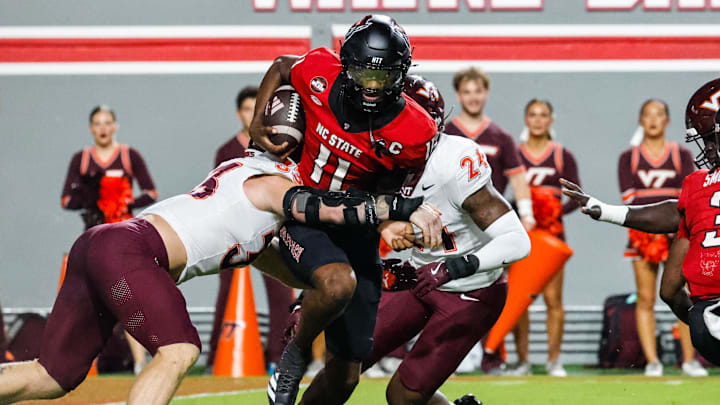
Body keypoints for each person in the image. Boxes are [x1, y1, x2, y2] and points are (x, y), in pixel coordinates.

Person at [0, 144, 439, 405]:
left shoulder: (252, 206)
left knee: (52, 376)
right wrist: (392, 211)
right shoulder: (269, 183)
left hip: (103, 243)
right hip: (132, 248)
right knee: (180, 351)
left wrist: (373, 277)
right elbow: (320, 206)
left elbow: (298, 273)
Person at [249, 15, 439, 405]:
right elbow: (284, 65)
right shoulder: (320, 70)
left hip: (356, 228)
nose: (371, 86)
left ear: (401, 75)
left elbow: (391, 193)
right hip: (301, 209)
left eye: (382, 78)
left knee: (346, 376)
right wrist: (256, 123)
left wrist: (390, 223)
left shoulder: (415, 131)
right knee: (338, 283)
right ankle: (294, 354)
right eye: (361, 74)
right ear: (343, 63)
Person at [359, 75, 531, 405]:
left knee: (402, 396)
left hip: (470, 289)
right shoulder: (384, 156)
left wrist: (456, 267)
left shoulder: (454, 161)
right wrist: (392, 229)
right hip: (420, 275)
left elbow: (516, 240)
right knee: (348, 357)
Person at [561, 79, 720, 374]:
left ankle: (684, 357)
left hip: (707, 322)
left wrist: (606, 211)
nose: (706, 147)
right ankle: (659, 362)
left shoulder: (697, 184)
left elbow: (671, 291)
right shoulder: (683, 181)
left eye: (710, 139)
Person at [60, 105, 159, 374]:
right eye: (97, 123)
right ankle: (74, 363)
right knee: (88, 301)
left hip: (122, 237)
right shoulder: (81, 160)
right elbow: (66, 200)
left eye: (107, 123)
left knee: (128, 297)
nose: (103, 128)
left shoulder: (128, 156)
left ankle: (141, 360)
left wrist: (125, 202)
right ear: (91, 128)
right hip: (92, 238)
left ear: (115, 126)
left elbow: (151, 193)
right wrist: (93, 197)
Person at [207, 86, 295, 374]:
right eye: (247, 108)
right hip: (234, 232)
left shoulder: (279, 147)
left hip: (272, 231)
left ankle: (280, 358)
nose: (251, 113)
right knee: (228, 291)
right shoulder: (226, 150)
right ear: (239, 113)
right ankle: (215, 358)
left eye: (256, 107)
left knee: (282, 292)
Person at [616, 99, 702, 377]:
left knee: (683, 294)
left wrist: (671, 226)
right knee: (645, 298)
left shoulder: (680, 154)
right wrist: (653, 229)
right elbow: (628, 199)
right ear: (641, 120)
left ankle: (689, 360)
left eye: (659, 114)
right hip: (642, 237)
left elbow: (691, 196)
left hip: (678, 234)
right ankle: (653, 361)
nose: (653, 120)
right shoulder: (628, 157)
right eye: (647, 115)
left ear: (667, 121)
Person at [505, 99, 580, 377]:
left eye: (543, 115)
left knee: (553, 300)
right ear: (526, 119)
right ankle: (523, 361)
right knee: (520, 299)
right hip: (521, 236)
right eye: (532, 115)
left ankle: (553, 360)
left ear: (551, 120)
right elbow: (502, 194)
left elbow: (576, 197)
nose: (538, 120)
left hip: (552, 237)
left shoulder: (562, 155)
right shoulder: (514, 154)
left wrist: (552, 209)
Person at [444, 67, 535, 230]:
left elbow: (518, 179)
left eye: (478, 91)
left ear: (486, 93)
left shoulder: (501, 138)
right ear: (458, 95)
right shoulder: (445, 135)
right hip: (453, 221)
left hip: (492, 220)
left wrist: (526, 214)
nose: (473, 98)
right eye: (467, 92)